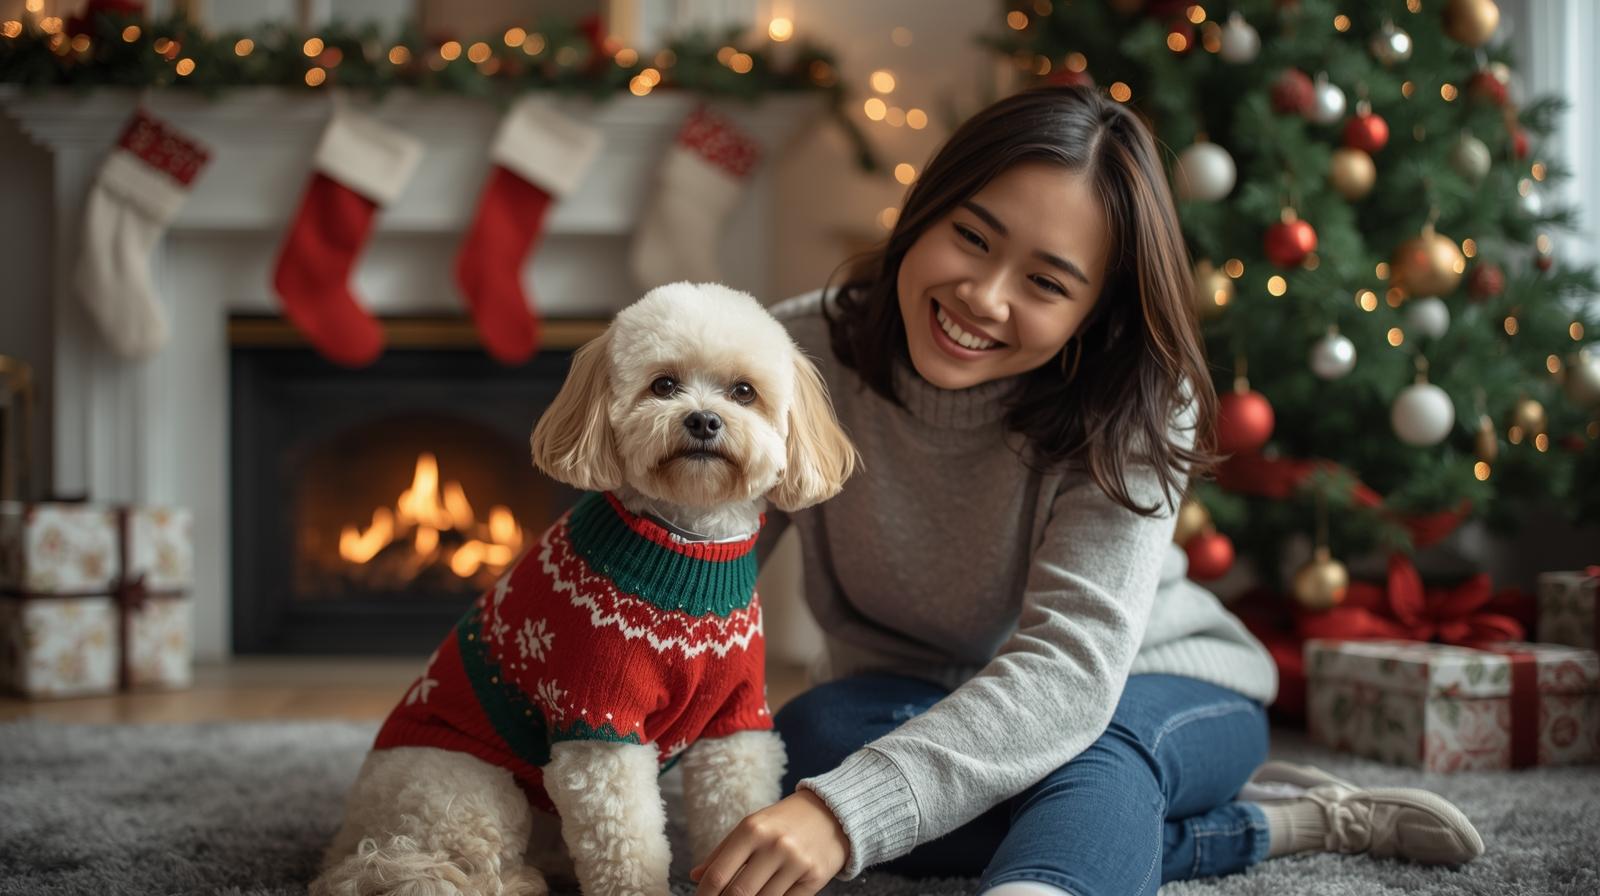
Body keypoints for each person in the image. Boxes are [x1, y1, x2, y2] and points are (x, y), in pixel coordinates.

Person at [687, 85, 1484, 896]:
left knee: (1090, 759)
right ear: (925, 210)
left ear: (1094, 312)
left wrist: (844, 815)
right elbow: (690, 572)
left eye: (1046, 283)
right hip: (909, 695)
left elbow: (1070, 674)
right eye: (971, 237)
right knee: (809, 742)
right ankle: (1252, 827)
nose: (983, 297)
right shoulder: (793, 354)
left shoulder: (1136, 400)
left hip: (1146, 685)